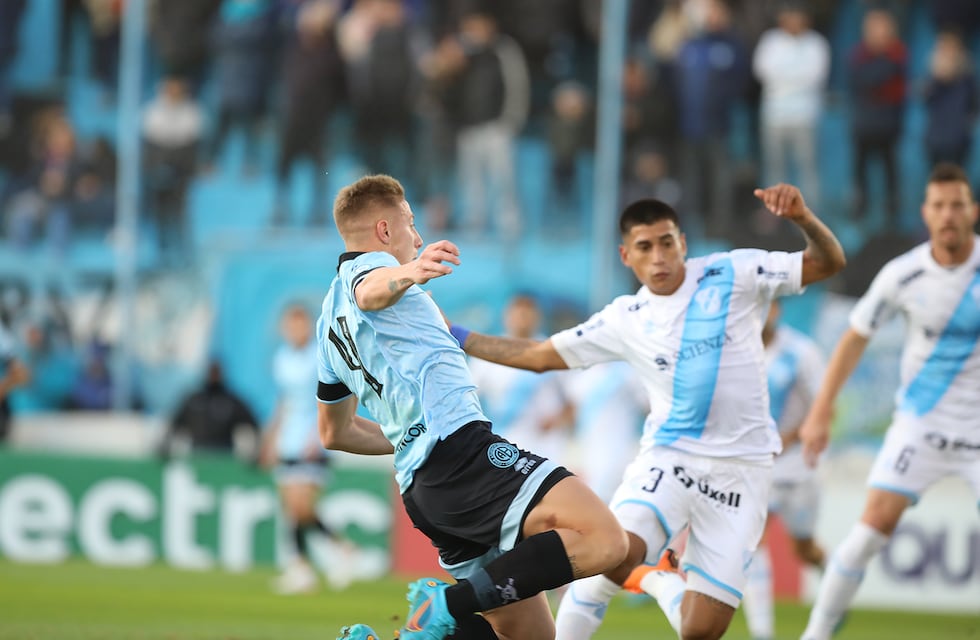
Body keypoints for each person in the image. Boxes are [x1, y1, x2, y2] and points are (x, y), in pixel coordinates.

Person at [452, 183, 846, 640]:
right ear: (626, 256)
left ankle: (660, 583)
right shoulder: (625, 317)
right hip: (669, 459)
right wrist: (456, 334)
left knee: (700, 631)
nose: (659, 256)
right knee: (608, 554)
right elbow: (540, 354)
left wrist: (802, 218)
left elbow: (828, 262)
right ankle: (651, 577)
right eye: (645, 247)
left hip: (743, 470)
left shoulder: (733, 271)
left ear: (683, 243)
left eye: (666, 243)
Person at [316, 174, 628, 640]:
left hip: (425, 488)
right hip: (465, 458)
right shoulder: (375, 275)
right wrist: (410, 270)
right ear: (383, 231)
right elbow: (370, 287)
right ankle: (441, 605)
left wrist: (411, 438)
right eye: (409, 222)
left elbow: (334, 433)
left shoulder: (327, 324)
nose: (416, 236)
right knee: (605, 539)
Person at [798, 164, 980, 640]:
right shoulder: (904, 273)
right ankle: (816, 634)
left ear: (972, 211)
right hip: (919, 426)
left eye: (957, 204)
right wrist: (820, 412)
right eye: (939, 206)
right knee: (865, 534)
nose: (948, 215)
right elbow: (855, 337)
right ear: (925, 213)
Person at [741, 298, 827, 640]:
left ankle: (831, 574)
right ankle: (763, 632)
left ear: (778, 310)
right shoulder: (735, 351)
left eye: (770, 306)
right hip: (757, 467)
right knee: (753, 541)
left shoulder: (801, 352)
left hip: (798, 466)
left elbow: (824, 408)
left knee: (804, 548)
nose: (763, 312)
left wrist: (788, 439)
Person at [262, 303, 355, 594]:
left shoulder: (320, 354)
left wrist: (318, 436)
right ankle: (300, 567)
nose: (294, 331)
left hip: (313, 440)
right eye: (290, 325)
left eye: (299, 324)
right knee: (292, 508)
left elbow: (329, 398)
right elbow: (283, 402)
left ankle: (343, 549)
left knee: (302, 507)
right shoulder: (281, 358)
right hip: (288, 439)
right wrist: (271, 438)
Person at [468, 294, 573, 463]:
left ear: (538, 317)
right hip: (504, 444)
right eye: (517, 314)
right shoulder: (488, 351)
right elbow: (469, 399)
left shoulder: (553, 350)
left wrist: (557, 420)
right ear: (506, 317)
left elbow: (574, 401)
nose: (522, 319)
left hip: (547, 448)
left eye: (527, 314)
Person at [159, 360, 260, 461]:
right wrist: (165, 446)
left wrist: (257, 449)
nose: (214, 375)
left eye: (217, 372)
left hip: (223, 457)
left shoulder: (230, 401)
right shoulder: (194, 401)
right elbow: (175, 425)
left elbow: (253, 423)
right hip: (198, 456)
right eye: (211, 371)